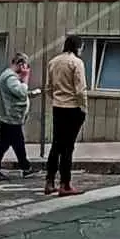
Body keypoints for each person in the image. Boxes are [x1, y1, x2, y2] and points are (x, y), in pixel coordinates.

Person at [45, 35, 88, 196]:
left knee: (56, 144)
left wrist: (57, 98)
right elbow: (80, 89)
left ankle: (49, 181)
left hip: (58, 106)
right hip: (72, 108)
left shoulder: (53, 62)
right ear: (77, 47)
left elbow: (48, 88)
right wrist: (83, 107)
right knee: (68, 147)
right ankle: (65, 184)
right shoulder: (76, 63)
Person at [0, 52, 35, 180]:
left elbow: (15, 93)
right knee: (11, 144)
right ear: (20, 64)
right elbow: (20, 92)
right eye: (25, 66)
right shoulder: (10, 77)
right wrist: (25, 78)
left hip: (8, 117)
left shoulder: (10, 76)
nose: (26, 69)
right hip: (9, 118)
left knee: (12, 143)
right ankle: (24, 168)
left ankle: (24, 168)